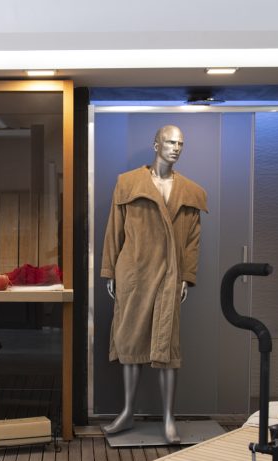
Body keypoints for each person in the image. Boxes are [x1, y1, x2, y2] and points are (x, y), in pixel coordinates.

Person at [100, 125, 208, 443]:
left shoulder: (190, 192)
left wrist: (186, 276)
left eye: (180, 143)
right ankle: (127, 412)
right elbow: (114, 230)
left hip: (169, 275)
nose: (176, 148)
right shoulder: (128, 183)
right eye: (170, 141)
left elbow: (192, 241)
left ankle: (169, 418)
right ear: (156, 144)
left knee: (167, 346)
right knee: (129, 341)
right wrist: (110, 271)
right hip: (133, 271)